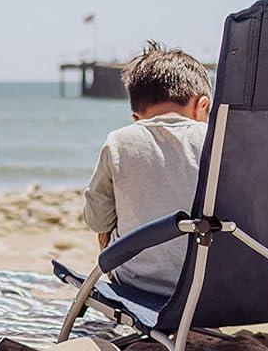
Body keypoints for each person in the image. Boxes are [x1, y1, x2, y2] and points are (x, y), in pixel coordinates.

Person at [83, 41, 212, 297]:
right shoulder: (220, 140)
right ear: (202, 106)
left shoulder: (119, 141)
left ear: (136, 118)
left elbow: (97, 219)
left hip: (137, 286)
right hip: (213, 288)